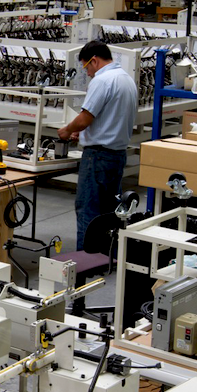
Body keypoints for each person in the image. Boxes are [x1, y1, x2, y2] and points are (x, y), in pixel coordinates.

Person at [58, 40, 138, 251]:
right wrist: (84, 133)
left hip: (98, 157)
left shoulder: (102, 80)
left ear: (94, 61)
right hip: (117, 155)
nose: (88, 73)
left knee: (88, 210)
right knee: (109, 212)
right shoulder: (126, 79)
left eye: (86, 68)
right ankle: (106, 257)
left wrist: (67, 130)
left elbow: (85, 118)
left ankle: (86, 261)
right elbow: (109, 118)